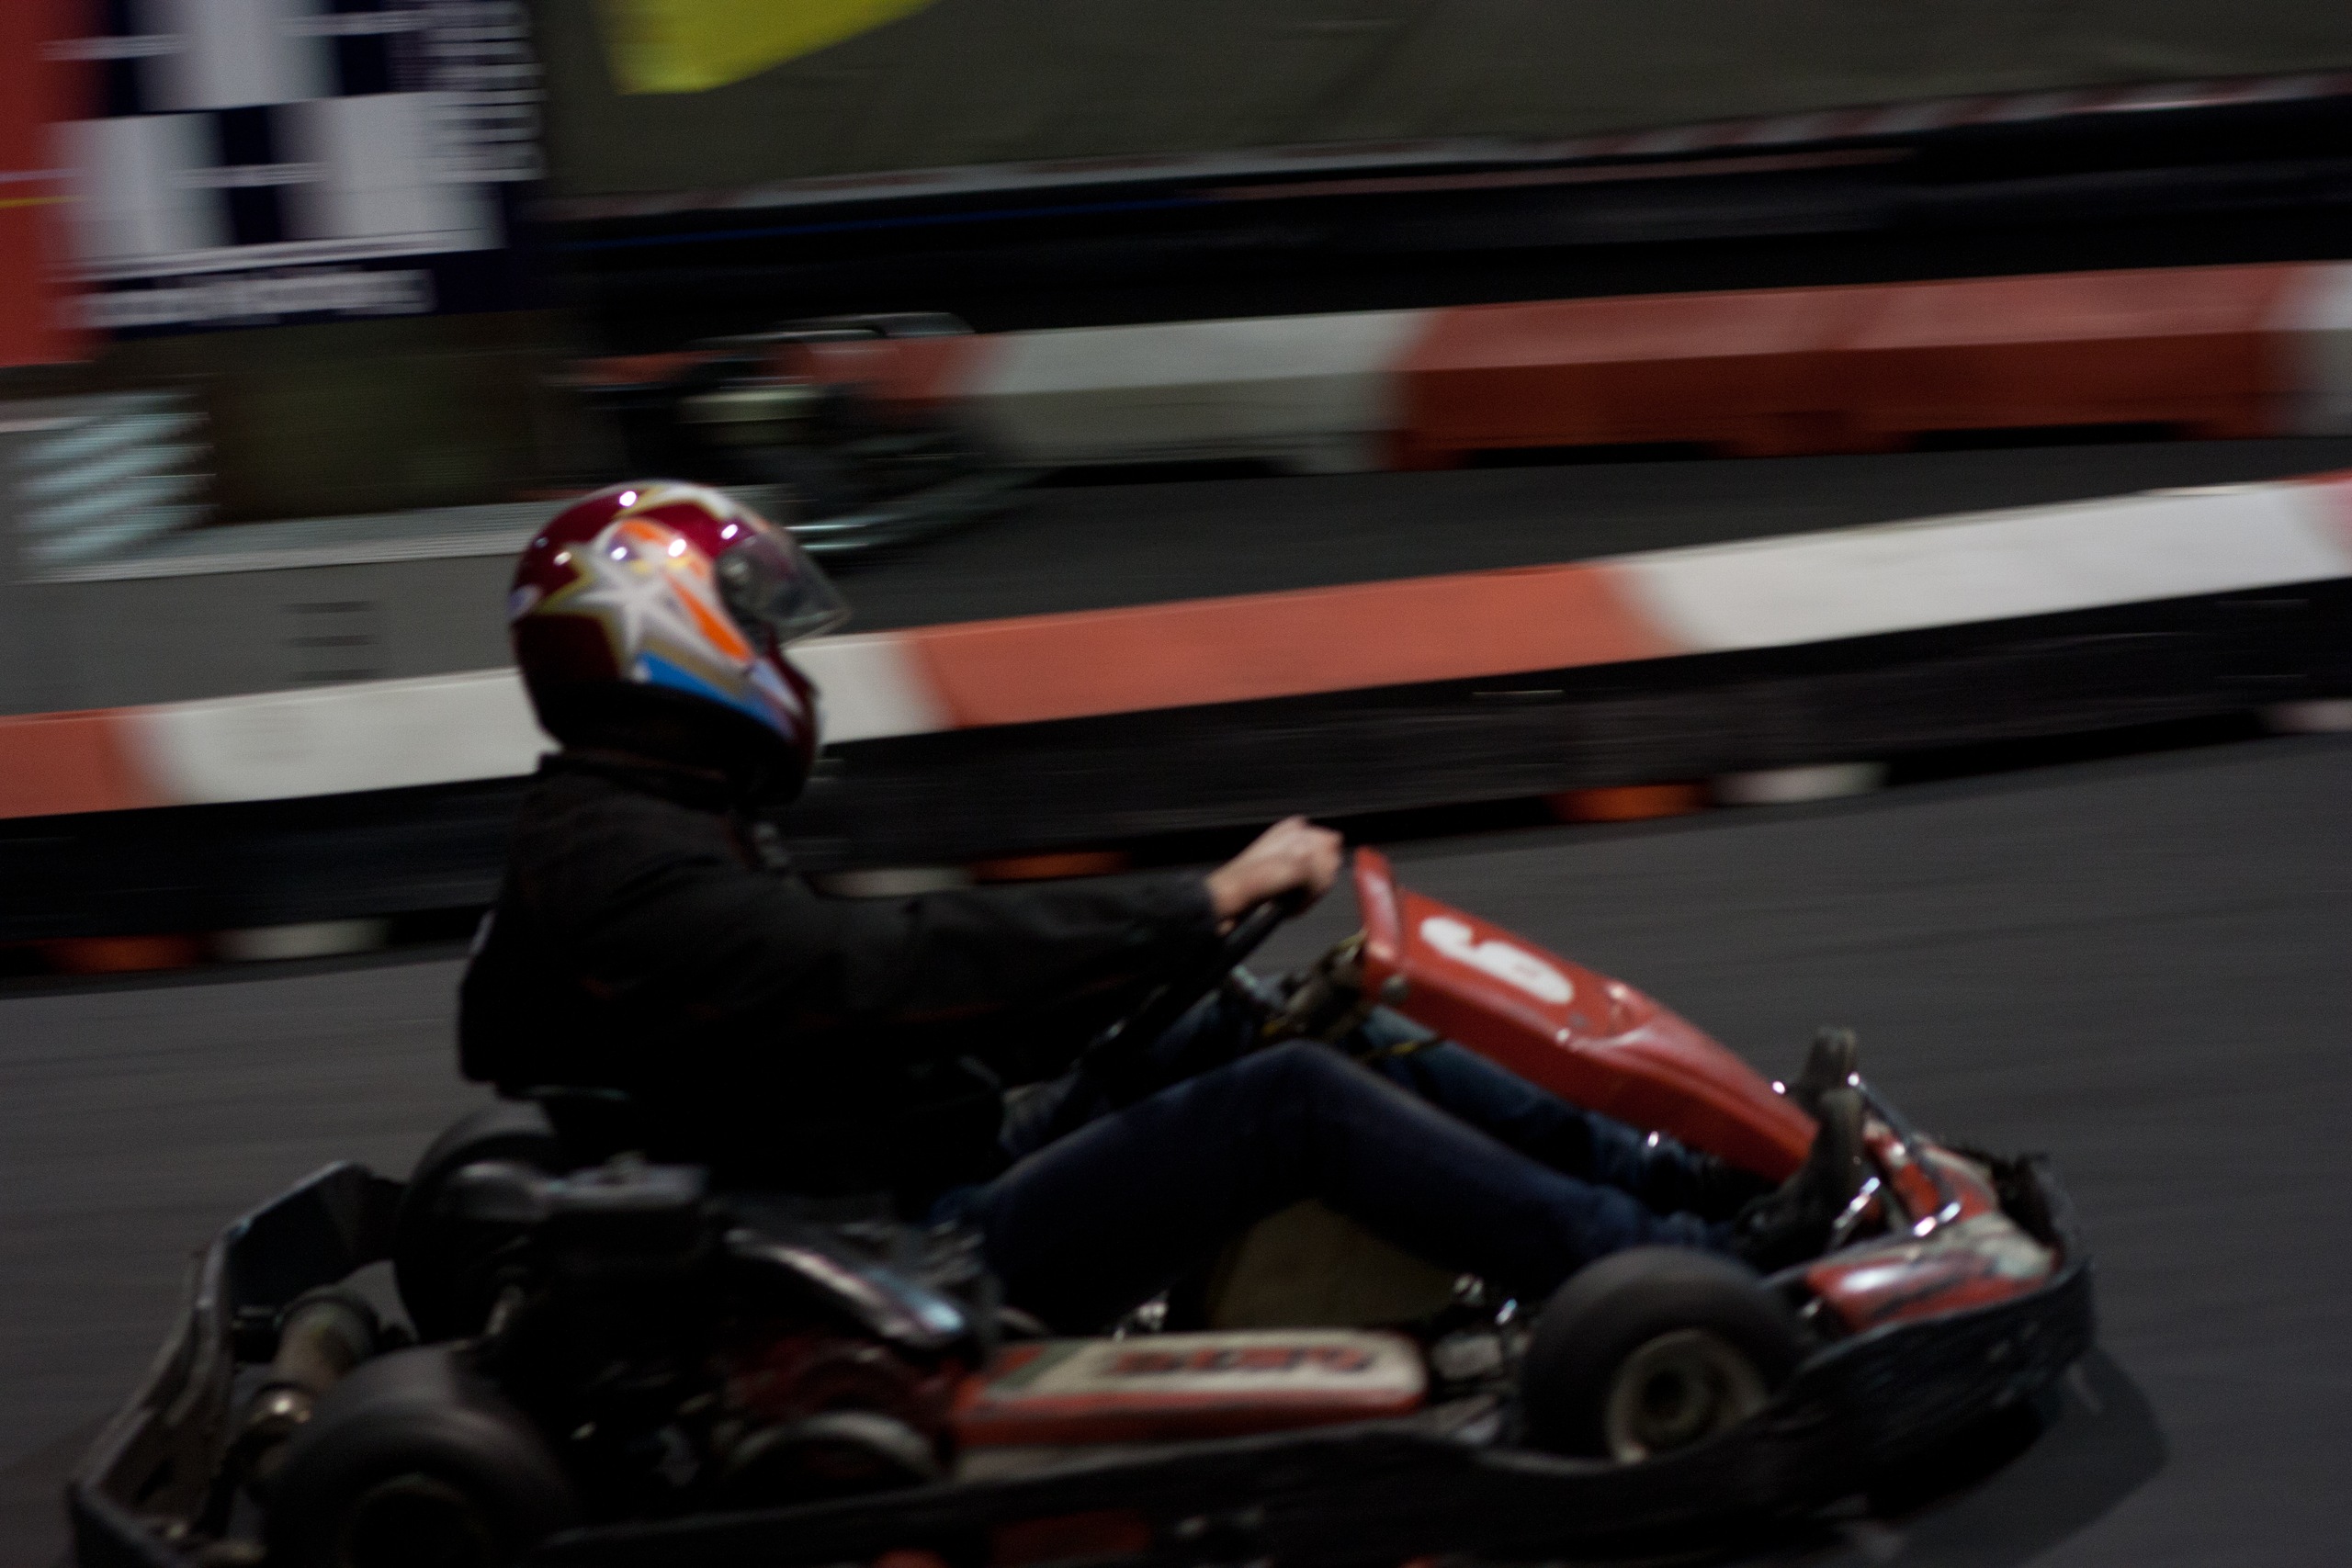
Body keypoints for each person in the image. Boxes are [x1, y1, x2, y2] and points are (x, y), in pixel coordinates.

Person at [461, 481, 1866, 1332]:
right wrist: (1189, 905)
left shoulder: (627, 827)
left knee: (1259, 1021)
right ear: (665, 637)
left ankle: (1683, 1178)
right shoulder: (622, 870)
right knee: (1290, 1103)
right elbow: (882, 967)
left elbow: (875, 1012)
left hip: (897, 1172)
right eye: (754, 625)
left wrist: (1146, 967)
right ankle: (1690, 1269)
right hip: (898, 1252)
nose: (782, 657)